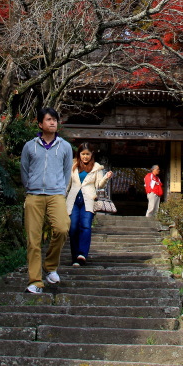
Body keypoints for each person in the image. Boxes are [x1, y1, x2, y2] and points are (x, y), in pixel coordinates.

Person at [20, 107, 73, 293]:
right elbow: (24, 170)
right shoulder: (30, 146)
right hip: (34, 195)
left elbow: (67, 172)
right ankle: (35, 281)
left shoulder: (65, 147)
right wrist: (30, 188)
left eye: (55, 120)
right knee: (33, 239)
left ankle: (50, 266)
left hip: (56, 194)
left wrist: (61, 190)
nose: (53, 123)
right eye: (49, 120)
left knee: (62, 228)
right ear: (40, 124)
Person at [66, 142, 113, 266]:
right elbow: (67, 184)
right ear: (79, 154)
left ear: (92, 154)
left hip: (88, 200)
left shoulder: (96, 167)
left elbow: (99, 185)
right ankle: (75, 255)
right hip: (73, 199)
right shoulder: (73, 165)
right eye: (83, 154)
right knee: (73, 227)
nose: (85, 157)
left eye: (87, 154)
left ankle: (82, 254)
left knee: (86, 226)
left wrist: (106, 177)